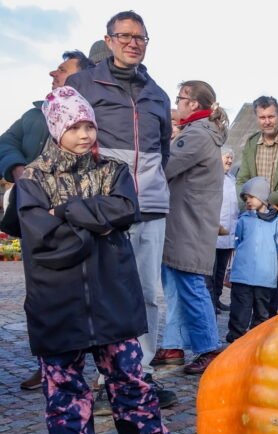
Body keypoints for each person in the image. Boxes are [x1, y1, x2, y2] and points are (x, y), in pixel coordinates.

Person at [16, 86, 180, 434]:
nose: (84, 134)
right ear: (57, 129)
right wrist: (97, 226)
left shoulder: (112, 170)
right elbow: (41, 234)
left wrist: (67, 211)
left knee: (129, 371)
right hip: (58, 296)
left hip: (111, 290)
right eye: (74, 127)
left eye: (89, 125)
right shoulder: (33, 179)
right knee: (64, 379)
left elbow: (125, 209)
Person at [66, 10, 173, 390]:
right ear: (109, 40)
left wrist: (149, 181)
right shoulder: (83, 83)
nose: (133, 43)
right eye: (124, 36)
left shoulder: (157, 93)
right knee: (105, 291)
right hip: (107, 205)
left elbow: (163, 150)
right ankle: (107, 371)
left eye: (140, 37)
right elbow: (66, 138)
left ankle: (140, 372)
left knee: (148, 293)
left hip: (151, 207)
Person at [0, 49, 95, 392]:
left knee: (84, 293)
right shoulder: (33, 114)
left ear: (80, 77)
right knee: (40, 294)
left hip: (79, 219)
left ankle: (96, 365)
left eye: (62, 69)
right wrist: (18, 169)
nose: (53, 74)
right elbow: (5, 142)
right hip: (34, 217)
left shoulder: (91, 115)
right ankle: (49, 363)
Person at [155, 81, 227, 376]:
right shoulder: (198, 131)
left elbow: (164, 167)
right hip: (184, 221)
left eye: (180, 98)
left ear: (194, 103)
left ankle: (209, 348)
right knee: (175, 285)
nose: (177, 104)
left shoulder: (197, 134)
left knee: (191, 284)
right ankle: (173, 345)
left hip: (189, 224)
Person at [236, 96, 278, 312]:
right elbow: (242, 179)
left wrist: (270, 200)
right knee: (267, 268)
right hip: (261, 217)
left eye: (271, 116)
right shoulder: (251, 143)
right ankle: (269, 315)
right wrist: (248, 202)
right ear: (257, 118)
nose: (267, 121)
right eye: (262, 117)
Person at [226, 177, 278, 343]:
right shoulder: (243, 220)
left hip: (264, 277)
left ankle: (257, 341)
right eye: (246, 198)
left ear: (262, 197)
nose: (248, 201)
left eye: (251, 197)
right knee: (239, 310)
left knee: (262, 312)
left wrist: (266, 258)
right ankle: (236, 338)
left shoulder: (277, 222)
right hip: (242, 276)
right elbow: (238, 242)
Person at [206, 146, 239, 314]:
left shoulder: (232, 179)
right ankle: (210, 301)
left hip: (229, 233)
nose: (229, 160)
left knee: (221, 270)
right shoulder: (211, 177)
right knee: (210, 271)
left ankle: (217, 298)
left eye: (231, 158)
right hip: (214, 232)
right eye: (226, 157)